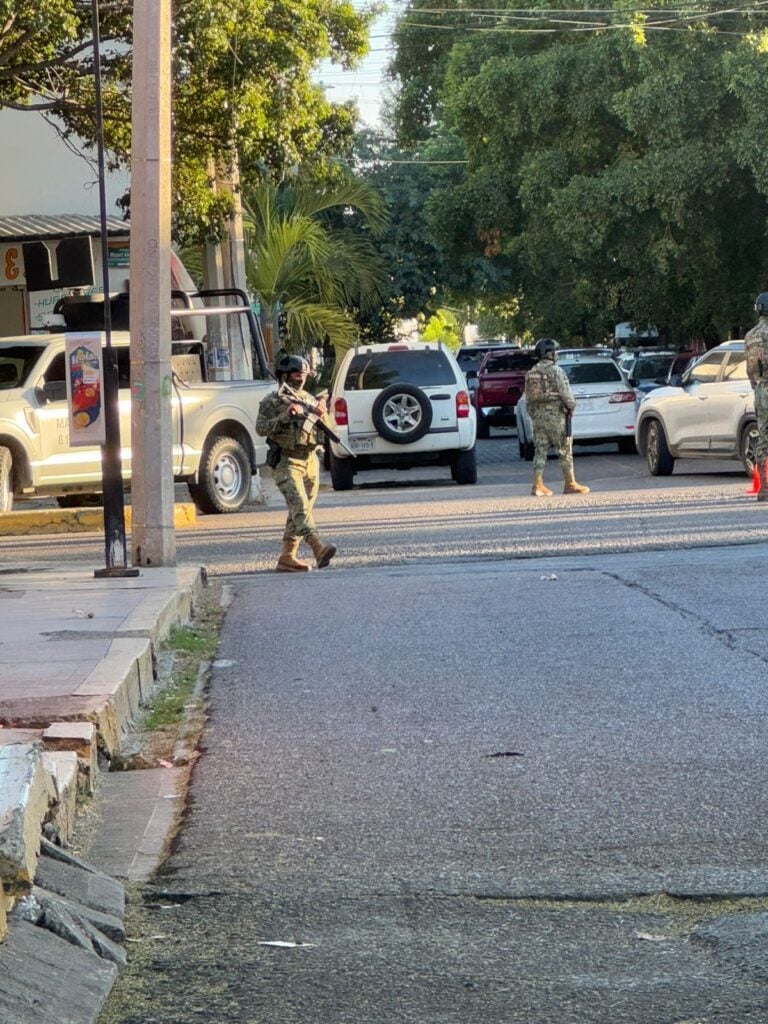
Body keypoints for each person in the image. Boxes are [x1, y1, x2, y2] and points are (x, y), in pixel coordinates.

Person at [256, 354, 338, 571]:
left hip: (310, 460)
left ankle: (287, 557)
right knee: (300, 508)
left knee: (301, 509)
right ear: (284, 376)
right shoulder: (272, 401)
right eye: (295, 374)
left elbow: (326, 431)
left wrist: (321, 414)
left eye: (303, 374)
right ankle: (318, 547)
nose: (300, 378)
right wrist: (286, 415)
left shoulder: (309, 399)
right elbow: (261, 428)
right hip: (286, 460)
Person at [523, 338, 590, 497]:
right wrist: (571, 407)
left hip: (538, 417)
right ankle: (570, 483)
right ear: (549, 353)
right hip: (556, 416)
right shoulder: (556, 371)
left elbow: (528, 399)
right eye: (554, 351)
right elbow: (565, 393)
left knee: (540, 450)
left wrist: (535, 415)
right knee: (564, 449)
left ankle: (537, 484)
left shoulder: (531, 372)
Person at [745, 292, 768, 502]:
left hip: (761, 390)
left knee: (763, 437)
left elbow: (749, 371)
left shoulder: (750, 336)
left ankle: (764, 487)